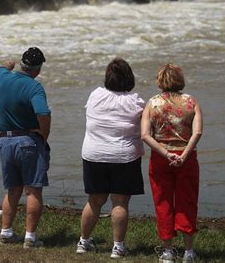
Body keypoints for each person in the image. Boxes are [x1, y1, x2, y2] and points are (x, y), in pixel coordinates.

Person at [76, 58, 145, 259]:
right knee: (120, 201)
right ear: (129, 78)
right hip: (124, 156)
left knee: (95, 200)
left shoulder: (95, 95)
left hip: (94, 154)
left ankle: (83, 242)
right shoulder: (136, 101)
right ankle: (118, 247)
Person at [141, 64, 203, 263]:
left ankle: (168, 251)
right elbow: (197, 132)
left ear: (160, 81)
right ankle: (189, 251)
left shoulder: (152, 103)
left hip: (161, 158)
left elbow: (144, 135)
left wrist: (166, 154)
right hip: (186, 158)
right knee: (187, 201)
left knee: (163, 201)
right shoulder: (191, 102)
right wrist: (183, 154)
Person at [0, 47, 51, 249]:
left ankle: (6, 232)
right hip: (27, 141)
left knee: (13, 190)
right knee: (33, 191)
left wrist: (9, 64)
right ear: (38, 69)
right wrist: (43, 136)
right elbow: (43, 113)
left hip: (5, 142)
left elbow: (2, 67)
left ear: (22, 64)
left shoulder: (3, 78)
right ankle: (30, 237)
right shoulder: (34, 88)